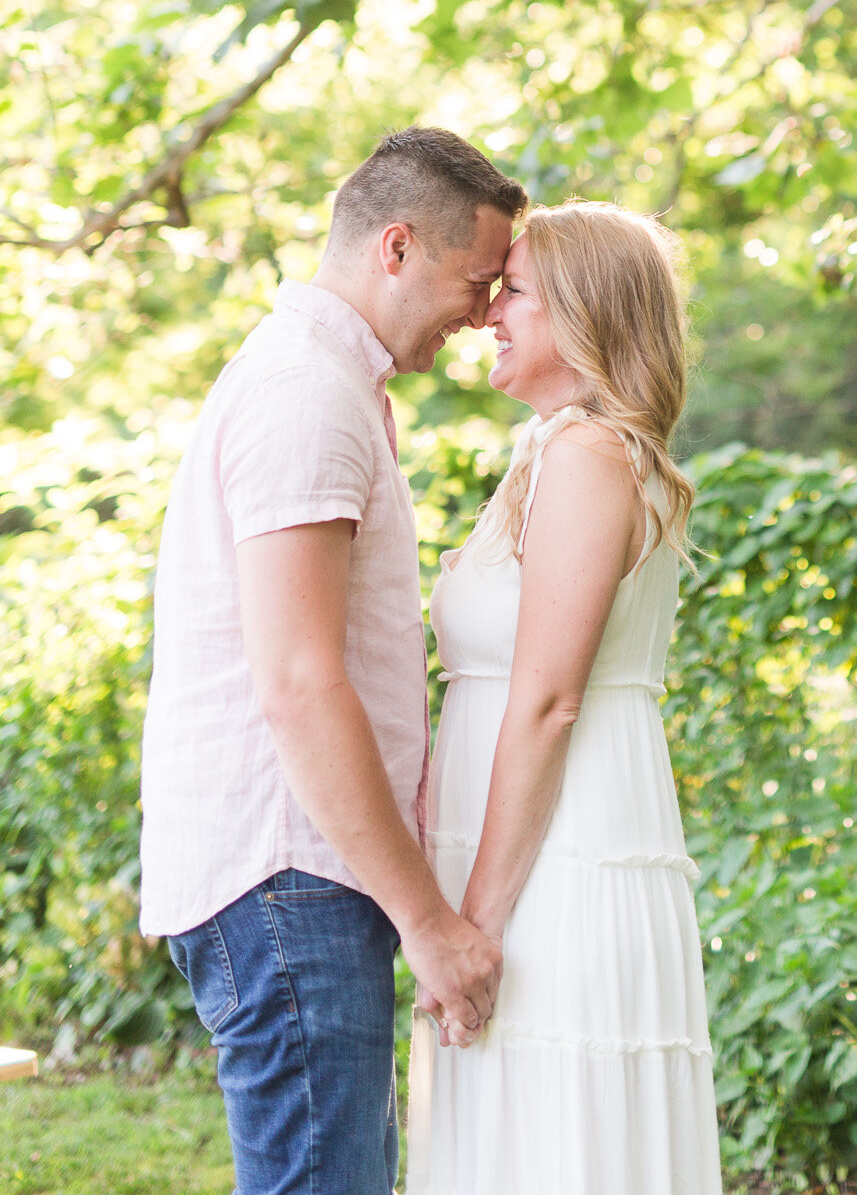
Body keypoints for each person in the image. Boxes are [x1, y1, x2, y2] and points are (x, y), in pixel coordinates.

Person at [139, 127, 527, 1195]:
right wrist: (428, 922)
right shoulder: (305, 392)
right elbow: (299, 682)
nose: (488, 308)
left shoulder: (326, 381)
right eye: (476, 277)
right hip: (288, 877)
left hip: (300, 877)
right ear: (394, 247)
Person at [406, 200, 724, 1195]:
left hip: (554, 866)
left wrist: (476, 926)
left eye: (517, 292)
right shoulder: (550, 450)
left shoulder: (588, 456)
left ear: (584, 316)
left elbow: (546, 700)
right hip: (518, 856)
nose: (490, 311)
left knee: (556, 1144)